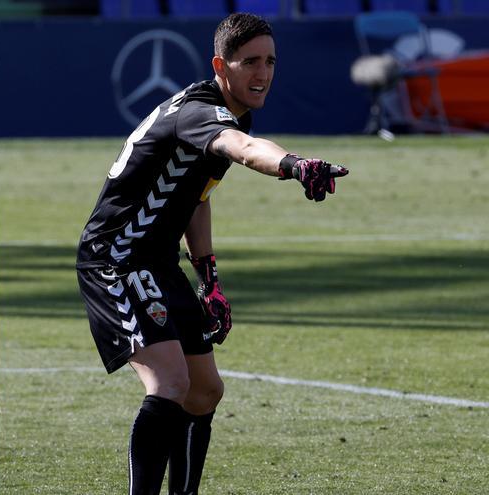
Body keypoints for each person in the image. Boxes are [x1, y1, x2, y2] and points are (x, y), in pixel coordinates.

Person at [75, 12, 349, 495]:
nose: (262, 73)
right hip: (115, 258)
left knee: (205, 392)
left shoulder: (231, 109)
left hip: (156, 259)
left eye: (270, 61)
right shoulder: (202, 113)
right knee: (171, 384)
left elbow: (196, 197)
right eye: (250, 63)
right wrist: (292, 165)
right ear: (221, 65)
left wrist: (209, 280)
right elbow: (243, 148)